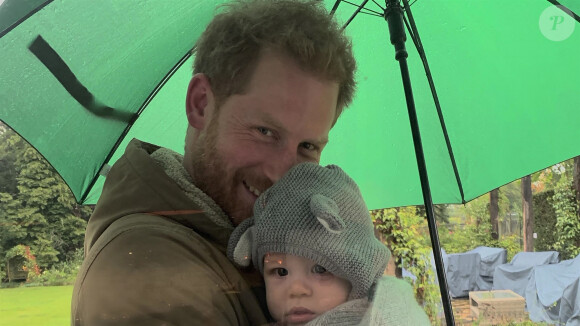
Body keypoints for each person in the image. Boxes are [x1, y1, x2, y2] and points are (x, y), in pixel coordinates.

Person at [71, 0, 356, 325]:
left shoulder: (255, 248)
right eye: (265, 131)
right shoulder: (154, 277)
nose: (282, 175)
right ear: (201, 104)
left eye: (307, 146)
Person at [228, 162, 431, 325]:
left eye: (320, 268)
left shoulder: (384, 316)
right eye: (280, 272)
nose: (297, 290)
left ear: (359, 271)